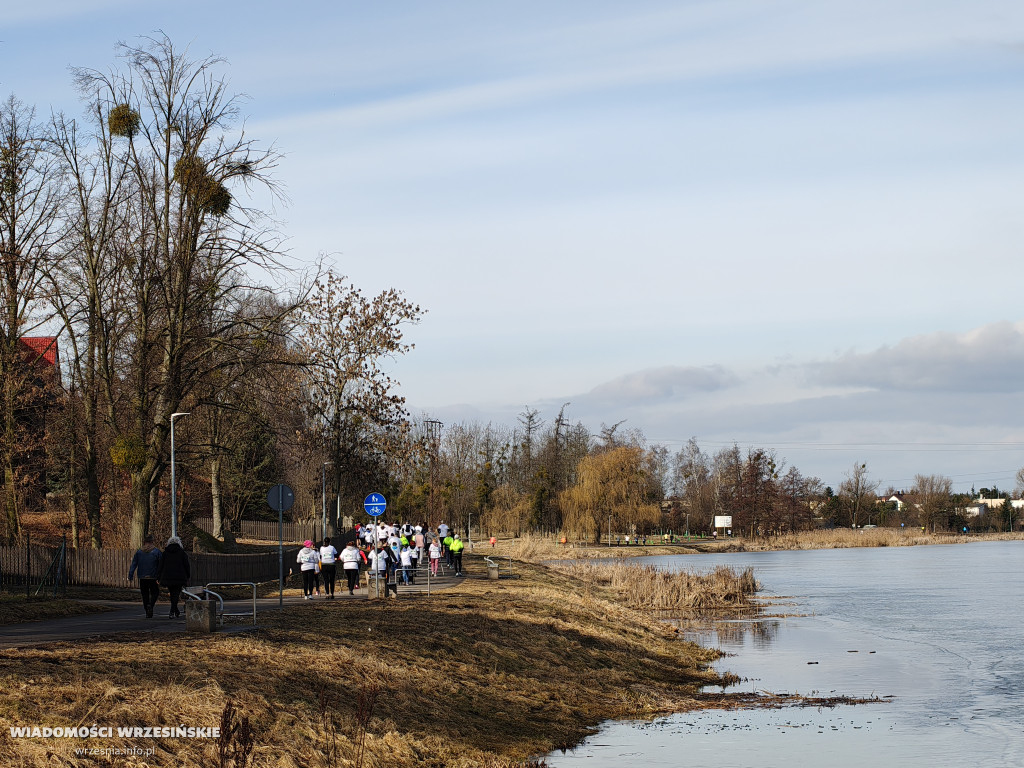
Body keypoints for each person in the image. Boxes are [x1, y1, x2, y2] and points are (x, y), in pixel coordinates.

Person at [128, 534, 162, 618]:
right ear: (152, 541)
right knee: (155, 592)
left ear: (144, 541)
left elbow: (134, 564)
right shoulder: (156, 552)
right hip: (153, 576)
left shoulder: (139, 552)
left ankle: (147, 610)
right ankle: (151, 605)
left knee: (144, 594)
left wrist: (130, 574)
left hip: (142, 576)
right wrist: (160, 575)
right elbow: (161, 564)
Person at [158, 536, 190, 619]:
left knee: (172, 594)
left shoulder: (165, 553)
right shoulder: (182, 553)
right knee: (176, 593)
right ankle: (172, 611)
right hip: (179, 576)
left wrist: (159, 576)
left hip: (168, 576)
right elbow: (186, 565)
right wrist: (188, 576)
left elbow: (161, 565)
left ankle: (175, 610)